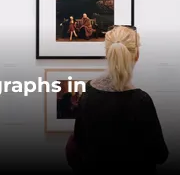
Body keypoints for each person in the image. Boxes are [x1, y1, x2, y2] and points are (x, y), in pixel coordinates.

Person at [66, 26, 169, 173]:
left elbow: (80, 144)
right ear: (136, 55)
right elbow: (160, 155)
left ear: (108, 54)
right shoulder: (141, 101)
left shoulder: (88, 93)